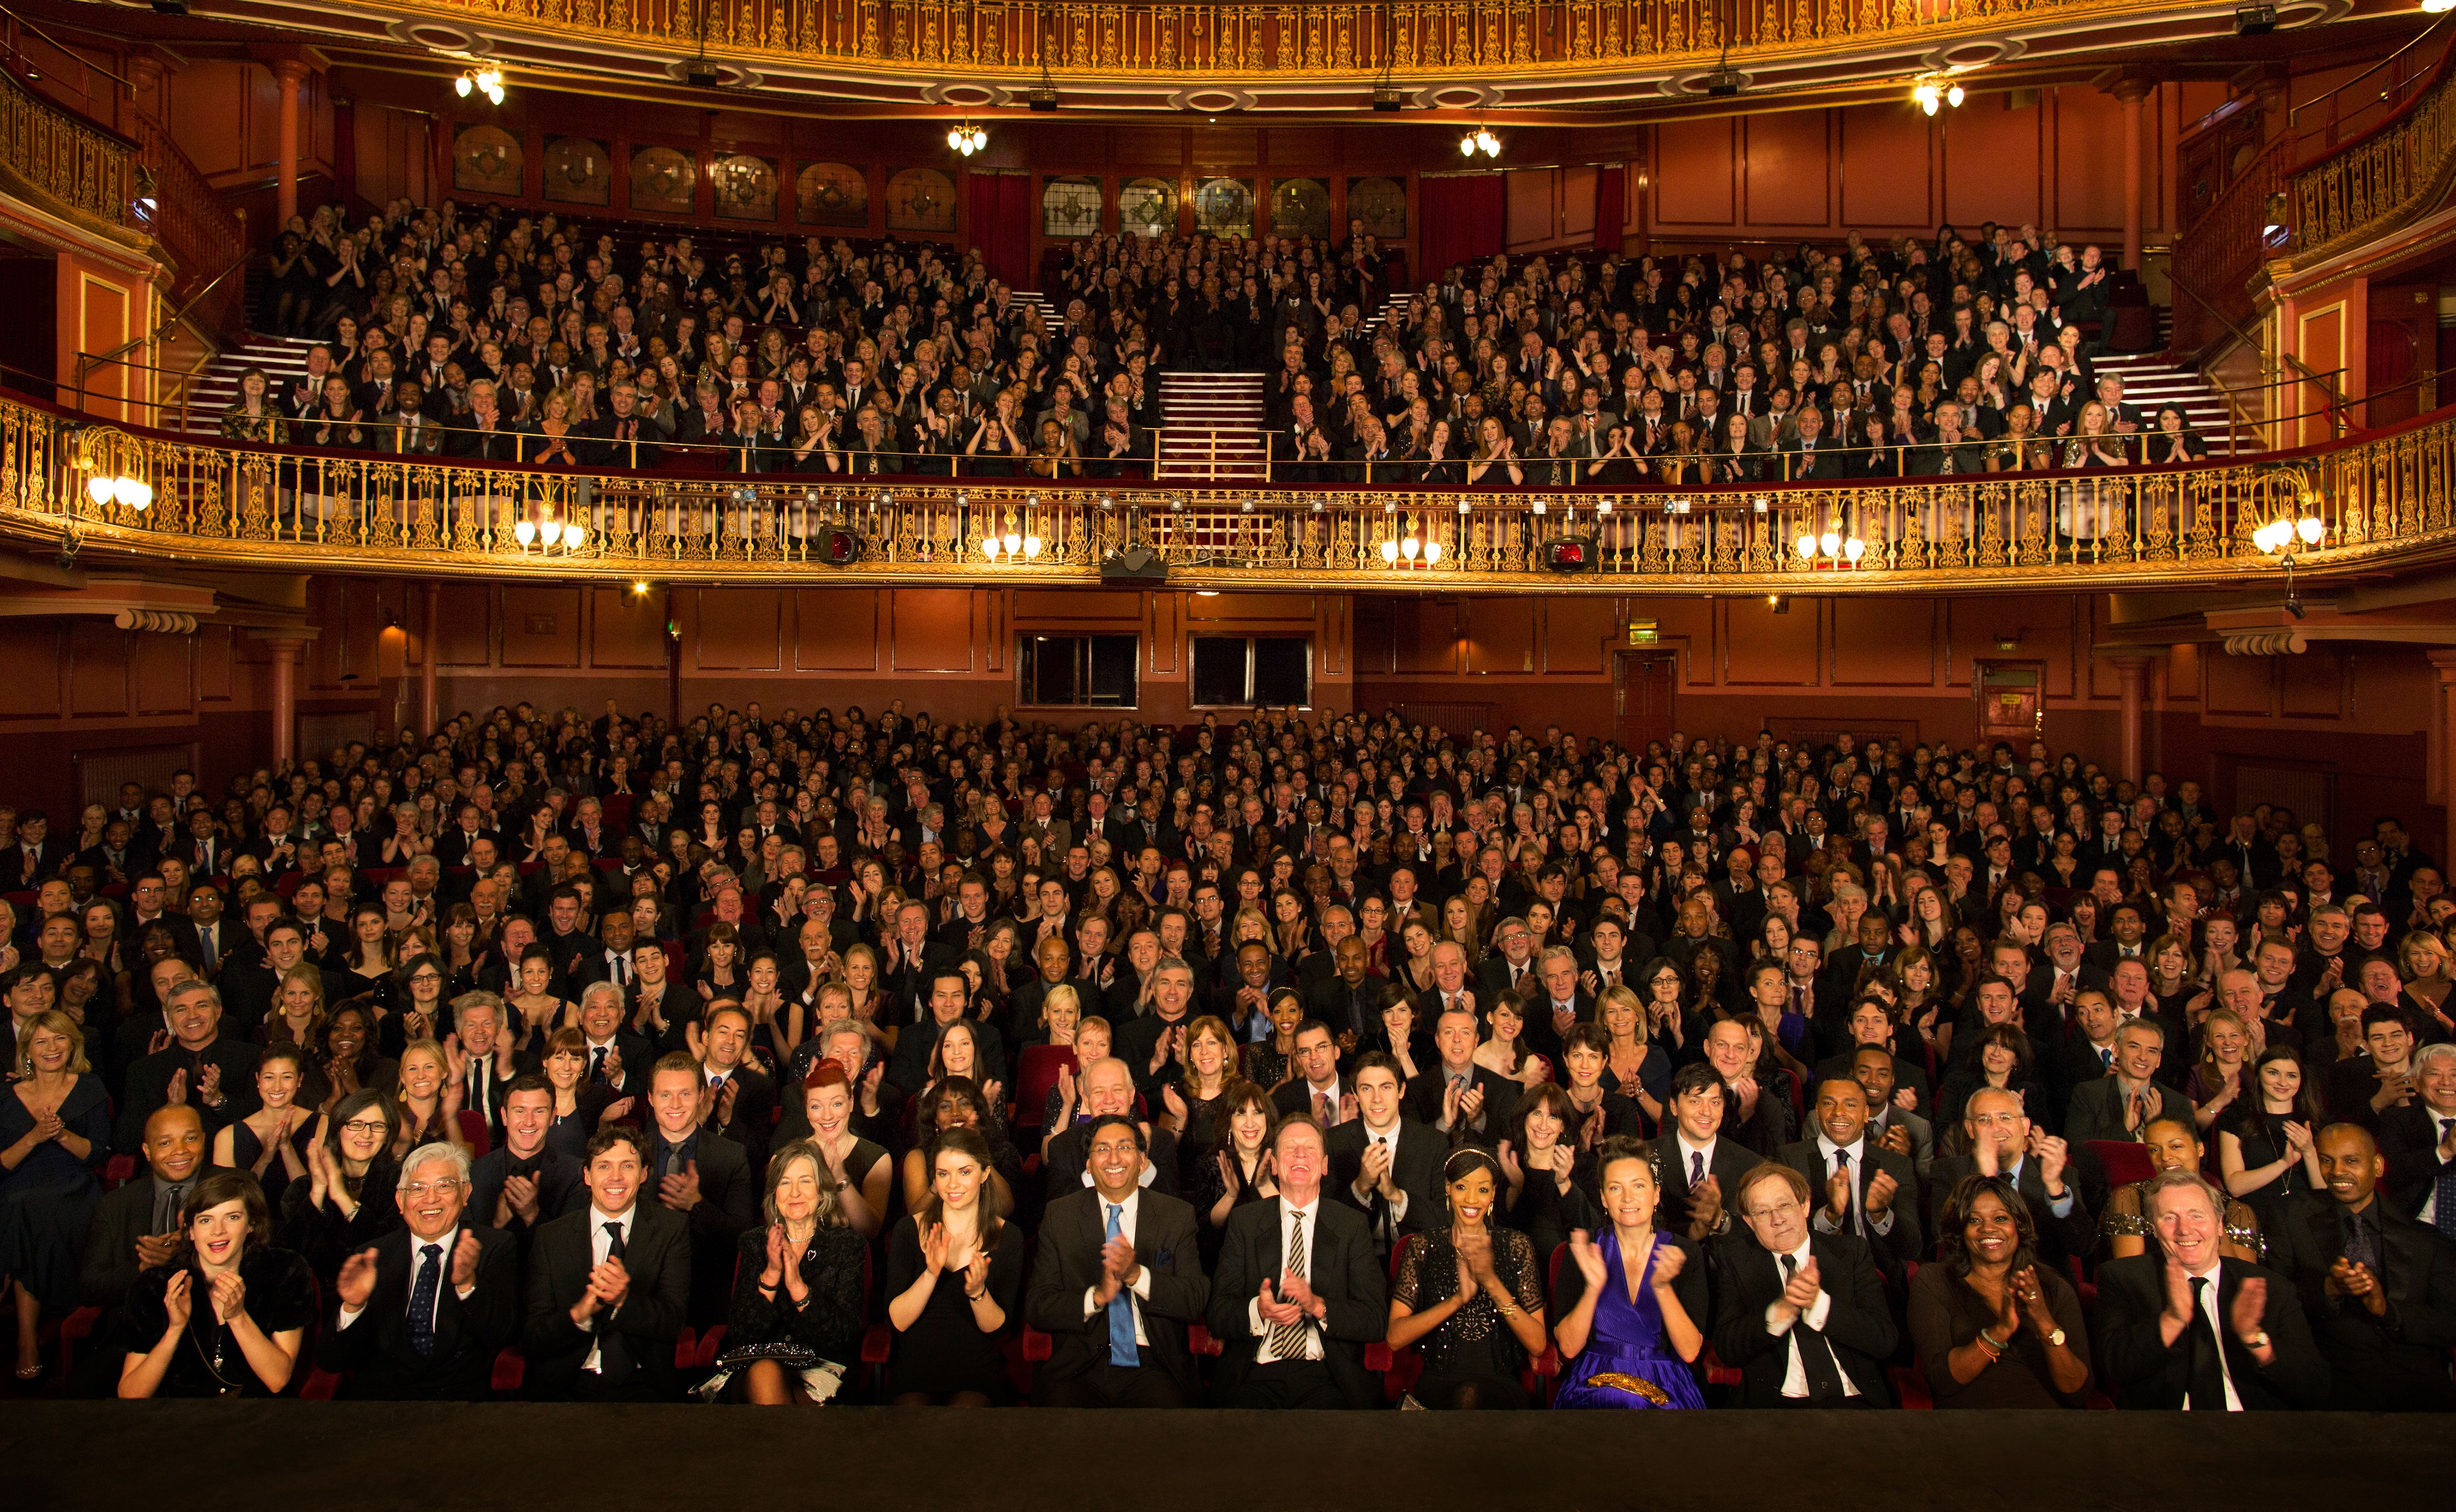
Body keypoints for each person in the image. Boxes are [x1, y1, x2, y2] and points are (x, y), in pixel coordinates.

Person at [2092, 1168, 2329, 1410]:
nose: (2184, 1229)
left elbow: (2314, 1386)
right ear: (2154, 1228)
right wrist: (2171, 1321)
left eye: (2197, 1216)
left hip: (2252, 1430)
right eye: (2170, 1218)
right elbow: (2115, 1366)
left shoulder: (2269, 1287)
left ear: (2219, 1225)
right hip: (2166, 1432)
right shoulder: (2123, 1278)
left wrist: (2255, 1339)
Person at [2261, 1123, 2456, 1410]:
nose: (2337, 1171)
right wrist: (2327, 1288)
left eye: (2351, 1161)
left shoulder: (2423, 1238)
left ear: (2377, 1166)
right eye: (2327, 1161)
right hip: (2333, 1378)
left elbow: (2449, 1323)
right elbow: (2274, 1299)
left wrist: (2386, 1310)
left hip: (2417, 1381)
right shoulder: (2292, 1216)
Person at [1025, 1112, 1210, 1407]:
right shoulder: (1060, 1216)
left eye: (1124, 1147)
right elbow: (1038, 1305)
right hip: (1078, 1366)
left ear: (1142, 1160)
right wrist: (1097, 1298)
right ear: (1088, 1163)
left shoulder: (1176, 1216)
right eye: (1102, 1149)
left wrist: (1138, 1276)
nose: (1114, 1159)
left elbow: (1194, 1300)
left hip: (1153, 1364)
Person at [1208, 1112, 1388, 1408]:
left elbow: (1375, 1320)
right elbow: (1218, 1313)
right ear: (1275, 1165)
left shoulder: (1351, 1226)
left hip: (1329, 1375)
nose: (1300, 1154)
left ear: (1326, 1165)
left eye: (1310, 1148)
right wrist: (1258, 1311)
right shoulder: (1245, 1222)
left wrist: (1319, 1306)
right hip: (1256, 1371)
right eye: (1290, 1148)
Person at [319, 1141, 517, 1400]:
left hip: (459, 1407)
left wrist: (468, 1285)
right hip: (382, 1406)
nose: (430, 1198)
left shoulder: (493, 1247)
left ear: (466, 1193)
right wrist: (353, 1308)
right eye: (417, 1189)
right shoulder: (370, 1257)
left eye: (444, 1186)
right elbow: (330, 1362)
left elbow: (501, 1336)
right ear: (400, 1201)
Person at [519, 1125, 692, 1401]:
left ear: (644, 1173)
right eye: (603, 1167)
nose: (616, 1178)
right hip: (567, 1384)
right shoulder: (551, 1237)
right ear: (587, 1175)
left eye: (627, 1166)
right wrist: (580, 1313)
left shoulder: (671, 1230)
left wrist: (625, 1300)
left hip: (645, 1383)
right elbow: (533, 1337)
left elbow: (674, 1320)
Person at [1710, 1161, 1896, 1406]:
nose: (1777, 1219)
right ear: (1749, 1222)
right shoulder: (1737, 1262)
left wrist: (1820, 1305)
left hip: (1854, 1400)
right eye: (1763, 1212)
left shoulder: (1850, 1252)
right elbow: (1728, 1349)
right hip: (1778, 1405)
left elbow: (1884, 1340)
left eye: (1784, 1205)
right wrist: (1777, 1315)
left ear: (1805, 1205)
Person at [118, 1170, 314, 1398]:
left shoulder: (283, 1272)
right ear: (191, 1231)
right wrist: (174, 1330)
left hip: (258, 1419)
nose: (218, 1231)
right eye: (205, 1220)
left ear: (251, 1224)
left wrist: (239, 1318)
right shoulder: (154, 1286)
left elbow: (278, 1379)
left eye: (232, 1217)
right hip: (182, 1421)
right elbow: (130, 1395)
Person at [1908, 1174, 2093, 1407]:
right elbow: (1943, 1381)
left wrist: (2045, 1321)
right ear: (1961, 1231)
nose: (1988, 1229)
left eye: (2000, 1218)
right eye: (1974, 1221)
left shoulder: (2054, 1287)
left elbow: (2078, 1393)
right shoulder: (1934, 1281)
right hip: (1973, 1426)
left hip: (2048, 1426)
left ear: (2020, 1226)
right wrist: (2001, 1330)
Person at [1384, 1147, 1548, 1409]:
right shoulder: (1423, 1246)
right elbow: (1395, 1336)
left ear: (1493, 1193)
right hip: (1438, 1384)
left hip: (1500, 1386)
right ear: (1448, 1188)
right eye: (1462, 1187)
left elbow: (1538, 1345)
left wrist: (1491, 1281)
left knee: (1471, 1396)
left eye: (1482, 1190)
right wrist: (1458, 1300)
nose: (1472, 1199)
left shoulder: (1516, 1245)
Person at [1552, 1136, 1708, 1409]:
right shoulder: (1582, 1251)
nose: (1628, 1198)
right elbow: (1568, 1348)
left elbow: (1690, 1351)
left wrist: (1663, 1288)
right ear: (1603, 1197)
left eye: (1638, 1186)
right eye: (1615, 1188)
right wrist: (1593, 1288)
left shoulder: (1685, 1253)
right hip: (1595, 1381)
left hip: (1666, 1381)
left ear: (1656, 1194)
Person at [716, 1138, 867, 1405]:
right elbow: (741, 1332)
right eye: (785, 1183)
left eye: (806, 1181)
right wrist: (772, 1275)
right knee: (766, 1373)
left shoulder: (847, 1245)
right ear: (775, 1194)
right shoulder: (754, 1243)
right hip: (755, 1367)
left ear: (822, 1191)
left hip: (822, 1368)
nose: (795, 1193)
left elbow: (844, 1335)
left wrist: (798, 1286)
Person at [0, 1009, 109, 1378]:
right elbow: (2, 1164)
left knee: (26, 1211)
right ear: (27, 1050)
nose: (52, 1047)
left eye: (60, 1038)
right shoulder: (7, 1095)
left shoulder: (90, 1087)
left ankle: (26, 1338)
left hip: (73, 1185)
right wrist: (34, 1137)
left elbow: (97, 1154)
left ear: (72, 1044)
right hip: (17, 1182)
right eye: (42, 1041)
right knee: (22, 1205)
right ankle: (28, 1337)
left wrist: (61, 1135)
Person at [884, 1125, 1023, 1405]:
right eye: (943, 1174)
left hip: (975, 1372)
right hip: (915, 1370)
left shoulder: (1009, 1237)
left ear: (984, 1174)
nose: (953, 1185)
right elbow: (897, 1322)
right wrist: (931, 1273)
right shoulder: (908, 1230)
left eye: (965, 1172)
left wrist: (977, 1292)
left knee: (962, 1429)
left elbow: (997, 1329)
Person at [640, 1050, 757, 1327]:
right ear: (650, 1099)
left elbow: (745, 1238)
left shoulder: (731, 1156)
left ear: (702, 1095)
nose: (675, 1104)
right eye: (665, 1095)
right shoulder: (628, 1153)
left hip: (706, 1298)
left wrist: (697, 1205)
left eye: (685, 1094)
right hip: (639, 1295)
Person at [1929, 1087, 2096, 1272]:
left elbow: (2083, 1246)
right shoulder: (1948, 1172)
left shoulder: (2060, 1176)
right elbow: (1945, 1237)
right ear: (1970, 1130)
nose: (1996, 1128)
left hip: (2043, 1283)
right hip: (1972, 1284)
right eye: (1984, 1120)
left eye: (2005, 1118)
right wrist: (1984, 1179)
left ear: (2025, 1127)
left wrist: (2055, 1189)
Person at [1777, 1075, 1923, 1280]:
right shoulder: (1790, 1160)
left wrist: (1881, 1214)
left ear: (1865, 1114)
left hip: (1877, 1277)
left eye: (1850, 1105)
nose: (1839, 1113)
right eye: (1829, 1103)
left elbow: (1912, 1248)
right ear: (1818, 1111)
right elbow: (1780, 1235)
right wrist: (1830, 1215)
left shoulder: (1896, 1165)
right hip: (1811, 1275)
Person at [1327, 1051, 1445, 1257]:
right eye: (1367, 1089)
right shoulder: (1334, 1142)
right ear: (1355, 1094)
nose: (1377, 1099)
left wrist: (1396, 1196)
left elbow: (1444, 1219)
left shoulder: (1433, 1143)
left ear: (1401, 1090)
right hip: (1356, 1262)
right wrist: (1361, 1186)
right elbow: (1328, 1225)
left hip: (1420, 1258)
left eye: (1386, 1087)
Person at [2100, 1116, 2262, 1264]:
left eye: (2176, 1147)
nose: (2165, 1157)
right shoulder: (2130, 1197)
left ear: (2200, 1149)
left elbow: (2240, 1278)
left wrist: (2211, 1212)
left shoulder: (2236, 1210)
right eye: (2155, 1150)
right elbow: (2130, 1272)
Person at [465, 1073, 585, 1266]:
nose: (529, 1122)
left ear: (553, 1116)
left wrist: (532, 1215)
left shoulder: (575, 1174)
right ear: (504, 1116)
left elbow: (571, 1254)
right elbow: (464, 1253)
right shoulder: (474, 1173)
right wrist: (497, 1226)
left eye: (539, 1112)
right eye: (520, 1111)